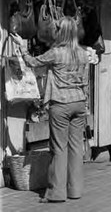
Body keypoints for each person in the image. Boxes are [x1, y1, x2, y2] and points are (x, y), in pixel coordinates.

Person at [11, 17, 91, 203]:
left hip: (61, 103)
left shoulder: (56, 53)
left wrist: (22, 46)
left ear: (60, 32)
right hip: (79, 102)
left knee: (59, 148)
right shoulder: (82, 53)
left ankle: (56, 193)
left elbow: (32, 62)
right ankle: (75, 190)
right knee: (76, 147)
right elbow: (86, 82)